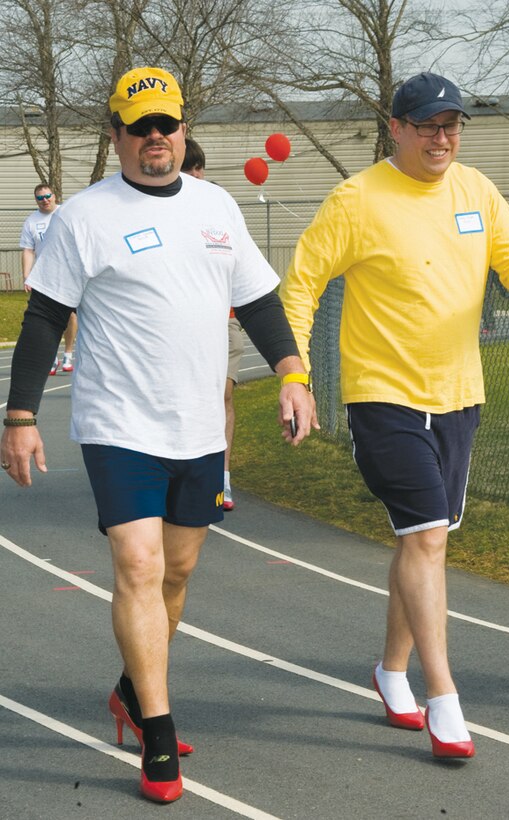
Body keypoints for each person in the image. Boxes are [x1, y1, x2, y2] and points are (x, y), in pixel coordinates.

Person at [0, 66, 315, 803]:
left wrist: (293, 375)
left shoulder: (216, 207)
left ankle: (129, 691)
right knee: (139, 569)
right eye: (138, 128)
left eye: (165, 126)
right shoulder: (84, 216)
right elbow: (44, 318)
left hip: (199, 427)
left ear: (182, 129)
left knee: (175, 575)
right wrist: (19, 417)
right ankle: (160, 734)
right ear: (115, 135)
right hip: (119, 425)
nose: (154, 139)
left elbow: (262, 301)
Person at [282, 72, 509, 759]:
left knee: (421, 543)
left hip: (459, 395)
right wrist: (298, 377)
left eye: (453, 125)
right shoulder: (357, 200)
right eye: (429, 126)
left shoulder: (477, 191)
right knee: (427, 536)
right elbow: (303, 282)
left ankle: (391, 670)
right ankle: (445, 697)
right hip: (383, 397)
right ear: (396, 127)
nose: (443, 138)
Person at [180, 137, 242, 511]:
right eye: (189, 169)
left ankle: (222, 477)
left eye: (199, 167)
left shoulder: (222, 208)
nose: (196, 175)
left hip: (225, 324)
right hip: (181, 329)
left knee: (223, 397)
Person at [20, 184, 77, 374]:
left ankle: (68, 354)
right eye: (40, 198)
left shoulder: (67, 213)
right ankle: (51, 358)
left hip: (69, 272)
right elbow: (28, 250)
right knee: (47, 318)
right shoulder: (31, 222)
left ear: (54, 196)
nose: (45, 200)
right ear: (36, 200)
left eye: (47, 196)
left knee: (71, 315)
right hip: (44, 276)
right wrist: (27, 275)